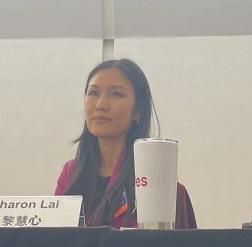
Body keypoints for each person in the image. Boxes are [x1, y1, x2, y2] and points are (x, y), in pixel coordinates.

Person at [55, 58, 197, 229]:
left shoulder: (159, 188)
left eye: (116, 94)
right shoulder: (71, 174)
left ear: (139, 109)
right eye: (93, 93)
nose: (101, 105)